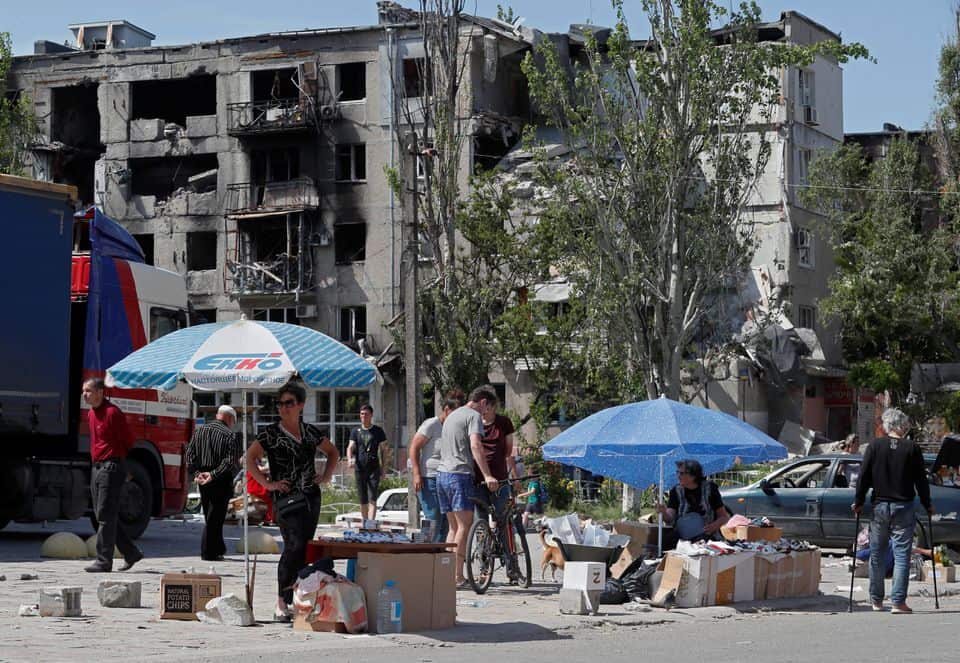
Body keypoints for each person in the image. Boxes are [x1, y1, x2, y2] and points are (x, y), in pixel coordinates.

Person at [246, 383, 340, 622]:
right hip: (286, 498)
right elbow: (249, 458)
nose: (283, 408)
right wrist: (268, 484)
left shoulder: (310, 432)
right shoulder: (270, 433)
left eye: (288, 403)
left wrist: (326, 476)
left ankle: (298, 598)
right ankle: (281, 601)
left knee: (304, 548)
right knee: (293, 546)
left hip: (310, 497)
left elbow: (333, 452)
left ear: (300, 405)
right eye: (280, 404)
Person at [853, 407, 933, 614]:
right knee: (901, 554)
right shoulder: (912, 448)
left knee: (877, 554)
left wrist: (858, 501)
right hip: (903, 506)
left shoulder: (874, 446)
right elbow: (921, 480)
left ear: (886, 426)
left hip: (880, 506)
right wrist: (927, 503)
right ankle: (898, 602)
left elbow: (863, 477)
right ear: (902, 426)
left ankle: (876, 601)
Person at [437, 385, 499, 586]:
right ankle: (457, 576)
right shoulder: (473, 416)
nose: (486, 413)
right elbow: (475, 445)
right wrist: (487, 475)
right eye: (488, 408)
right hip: (459, 475)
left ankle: (446, 574)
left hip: (442, 475)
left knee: (453, 527)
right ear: (483, 402)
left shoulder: (452, 416)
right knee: (464, 526)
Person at [82, 377, 144, 573]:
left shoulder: (112, 413)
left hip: (111, 466)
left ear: (100, 392)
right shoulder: (91, 413)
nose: (85, 395)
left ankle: (104, 561)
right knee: (103, 515)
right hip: (97, 467)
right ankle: (131, 552)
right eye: (84, 391)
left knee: (105, 516)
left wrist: (119, 462)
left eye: (88, 391)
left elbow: (128, 441)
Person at [409, 389, 465, 542]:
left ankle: (438, 552)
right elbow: (414, 448)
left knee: (447, 521)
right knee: (433, 517)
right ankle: (424, 549)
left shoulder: (455, 428)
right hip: (429, 478)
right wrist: (416, 474)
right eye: (454, 414)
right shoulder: (431, 425)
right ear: (446, 410)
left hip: (447, 478)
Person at [186, 404, 241, 561]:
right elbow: (229, 461)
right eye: (233, 421)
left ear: (218, 415)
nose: (233, 424)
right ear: (229, 418)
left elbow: (189, 456)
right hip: (220, 479)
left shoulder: (199, 431)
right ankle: (208, 552)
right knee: (215, 518)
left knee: (210, 515)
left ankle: (218, 548)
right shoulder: (229, 435)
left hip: (203, 479)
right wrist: (213, 474)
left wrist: (197, 473)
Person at [474, 397, 519, 578]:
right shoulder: (474, 422)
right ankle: (484, 568)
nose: (483, 411)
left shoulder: (503, 423)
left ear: (493, 407)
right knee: (480, 524)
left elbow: (508, 451)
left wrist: (513, 475)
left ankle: (512, 567)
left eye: (486, 407)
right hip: (478, 480)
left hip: (500, 479)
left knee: (504, 521)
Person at [656, 459, 731, 541]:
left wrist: (713, 526)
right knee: (664, 540)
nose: (678, 476)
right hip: (683, 538)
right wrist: (663, 512)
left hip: (708, 537)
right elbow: (669, 519)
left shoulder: (710, 489)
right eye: (678, 472)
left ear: (693, 475)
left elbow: (724, 517)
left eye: (682, 473)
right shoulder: (676, 491)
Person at [346, 403, 388, 521]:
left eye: (366, 414)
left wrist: (384, 469)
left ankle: (371, 523)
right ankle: (365, 523)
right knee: (362, 498)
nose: (363, 416)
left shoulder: (378, 431)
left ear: (371, 415)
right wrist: (349, 459)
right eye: (362, 414)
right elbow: (350, 447)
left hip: (374, 468)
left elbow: (385, 450)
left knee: (372, 497)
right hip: (360, 468)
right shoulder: (355, 431)